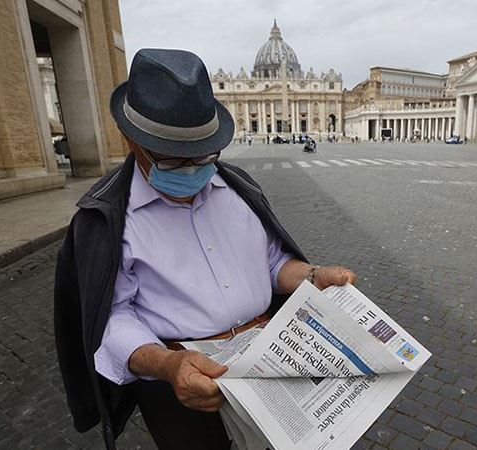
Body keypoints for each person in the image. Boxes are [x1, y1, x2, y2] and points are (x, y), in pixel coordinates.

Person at [54, 48, 356, 450]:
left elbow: (271, 262)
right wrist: (168, 364)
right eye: (173, 160)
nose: (193, 169)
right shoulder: (103, 218)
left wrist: (312, 276)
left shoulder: (240, 189)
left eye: (205, 154)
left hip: (266, 358)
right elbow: (110, 316)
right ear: (130, 140)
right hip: (179, 378)